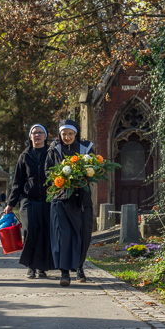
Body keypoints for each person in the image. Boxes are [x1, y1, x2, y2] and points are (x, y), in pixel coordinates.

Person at [46, 119, 95, 286]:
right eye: (64, 134)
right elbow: (47, 171)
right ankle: (64, 272)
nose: (67, 137)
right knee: (63, 236)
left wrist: (82, 176)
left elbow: (94, 169)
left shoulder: (85, 148)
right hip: (60, 199)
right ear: (59, 135)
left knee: (82, 235)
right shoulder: (54, 149)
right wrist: (60, 177)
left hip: (81, 200)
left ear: (76, 134)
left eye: (70, 134)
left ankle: (80, 268)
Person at [4, 124, 54, 279]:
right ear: (30, 137)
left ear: (45, 136)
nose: (37, 135)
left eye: (40, 132)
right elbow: (18, 181)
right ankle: (31, 266)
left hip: (48, 200)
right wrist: (10, 203)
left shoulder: (52, 154)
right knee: (30, 231)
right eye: (34, 133)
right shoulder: (24, 156)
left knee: (45, 233)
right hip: (28, 200)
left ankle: (42, 267)